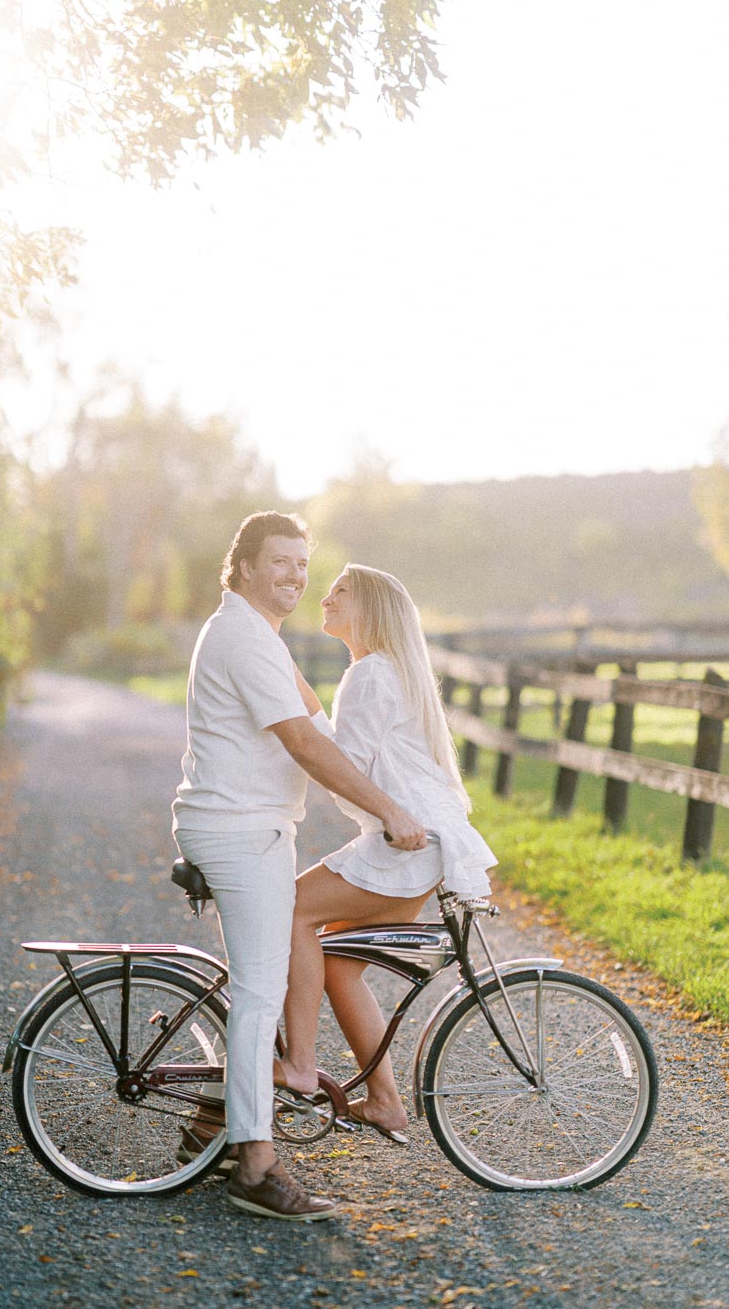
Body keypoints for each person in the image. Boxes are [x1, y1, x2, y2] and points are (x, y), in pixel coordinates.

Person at [172, 515, 427, 1221]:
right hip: (237, 829)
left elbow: (316, 723)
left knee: (277, 974)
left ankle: (209, 1120)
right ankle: (255, 1166)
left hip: (252, 826)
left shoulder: (258, 635)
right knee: (261, 992)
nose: (294, 575)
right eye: (279, 561)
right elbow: (308, 749)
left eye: (302, 565)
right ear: (244, 565)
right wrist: (391, 812)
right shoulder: (244, 637)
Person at [279, 563, 498, 1142]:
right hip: (424, 848)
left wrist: (294, 725)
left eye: (339, 592)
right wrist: (301, 694)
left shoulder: (370, 673)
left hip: (407, 845)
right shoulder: (381, 671)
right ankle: (384, 1103)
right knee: (338, 965)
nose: (323, 598)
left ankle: (298, 1066)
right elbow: (347, 753)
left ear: (370, 609)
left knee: (292, 909)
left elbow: (339, 766)